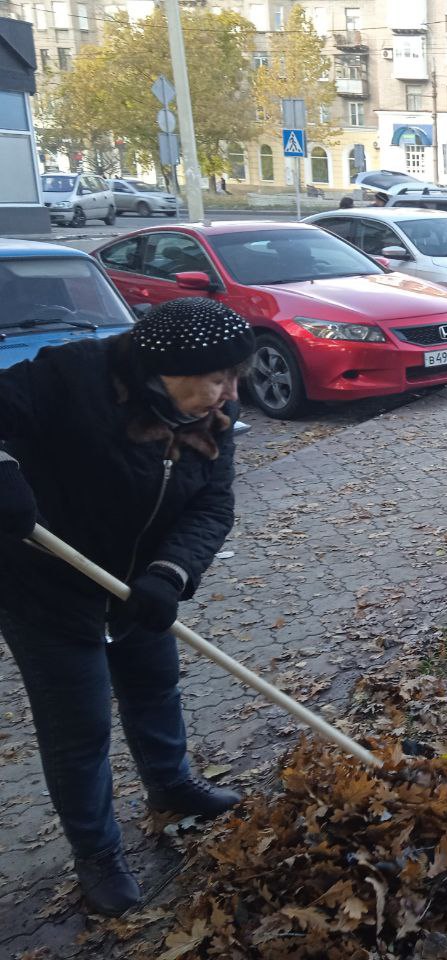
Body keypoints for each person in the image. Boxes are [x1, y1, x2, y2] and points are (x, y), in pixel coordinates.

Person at [0, 298, 255, 917]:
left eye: (235, 376)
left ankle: (170, 786)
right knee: (79, 727)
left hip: (137, 587)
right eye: (218, 377)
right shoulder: (69, 378)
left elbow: (212, 507)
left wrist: (170, 574)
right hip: (48, 589)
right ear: (167, 369)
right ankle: (97, 853)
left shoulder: (212, 414)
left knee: (154, 687)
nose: (229, 393)